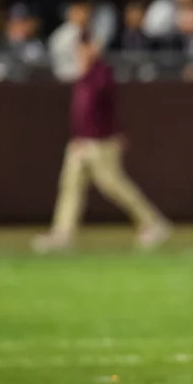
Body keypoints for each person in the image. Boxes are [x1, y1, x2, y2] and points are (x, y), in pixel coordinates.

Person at [32, 37, 171, 253]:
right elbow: (80, 112)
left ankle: (153, 223)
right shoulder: (84, 75)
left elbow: (101, 110)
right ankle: (63, 234)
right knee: (70, 187)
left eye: (85, 48)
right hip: (81, 142)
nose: (81, 53)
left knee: (115, 186)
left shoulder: (101, 74)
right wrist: (79, 137)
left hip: (100, 142)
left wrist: (98, 136)